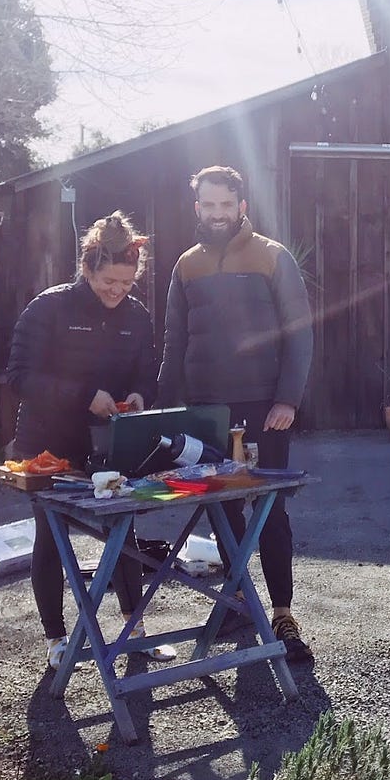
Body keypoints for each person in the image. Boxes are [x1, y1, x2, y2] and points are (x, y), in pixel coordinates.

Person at [157, 165, 315, 663]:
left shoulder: (272, 256)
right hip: (207, 413)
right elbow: (174, 342)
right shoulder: (185, 266)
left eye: (227, 204)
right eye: (209, 205)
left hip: (265, 409)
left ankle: (283, 612)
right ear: (197, 208)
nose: (218, 213)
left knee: (270, 509)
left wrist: (288, 398)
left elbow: (299, 331)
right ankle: (240, 599)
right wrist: (167, 410)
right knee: (221, 509)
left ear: (242, 206)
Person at [5, 211, 176, 669]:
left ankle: (134, 630)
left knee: (122, 531)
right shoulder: (48, 308)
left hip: (108, 443)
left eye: (126, 283)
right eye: (108, 282)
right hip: (46, 444)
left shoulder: (137, 316)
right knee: (51, 536)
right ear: (86, 269)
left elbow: (147, 371)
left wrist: (140, 395)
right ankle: (57, 640)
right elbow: (19, 377)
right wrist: (84, 396)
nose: (117, 291)